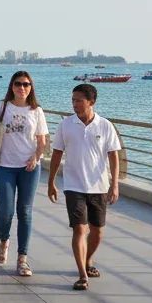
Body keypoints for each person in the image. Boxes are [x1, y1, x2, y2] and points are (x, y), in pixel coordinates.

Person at [48, 83, 120, 291]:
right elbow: (57, 153)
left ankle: (88, 260)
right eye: (73, 100)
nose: (75, 104)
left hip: (99, 186)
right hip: (73, 185)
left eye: (79, 100)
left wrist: (114, 184)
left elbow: (114, 156)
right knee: (80, 228)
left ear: (91, 102)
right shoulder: (66, 124)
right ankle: (82, 275)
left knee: (97, 232)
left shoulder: (105, 125)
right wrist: (51, 181)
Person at [0, 71, 49, 277]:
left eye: (26, 84)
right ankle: (4, 240)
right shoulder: (2, 107)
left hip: (29, 168)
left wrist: (35, 157)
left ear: (31, 87)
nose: (22, 88)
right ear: (12, 86)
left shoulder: (36, 111)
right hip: (5, 166)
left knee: (25, 211)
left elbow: (42, 141)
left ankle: (22, 259)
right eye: (18, 84)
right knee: (6, 211)